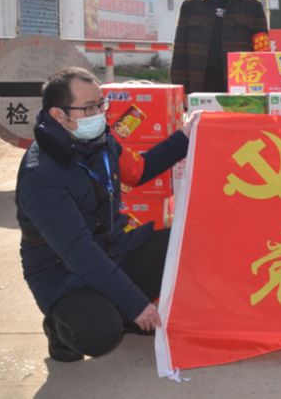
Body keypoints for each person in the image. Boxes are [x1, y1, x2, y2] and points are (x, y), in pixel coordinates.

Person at [15, 67, 198, 362]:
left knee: (184, 246)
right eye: (89, 108)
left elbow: (139, 170)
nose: (100, 113)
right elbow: (79, 253)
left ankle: (119, 311)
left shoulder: (99, 140)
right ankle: (58, 326)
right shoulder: (42, 175)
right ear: (59, 115)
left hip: (113, 249)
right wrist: (136, 305)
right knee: (102, 334)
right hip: (62, 272)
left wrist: (186, 136)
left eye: (102, 104)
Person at [170, 0, 270, 94]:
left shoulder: (253, 6)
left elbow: (262, 54)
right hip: (198, 89)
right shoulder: (190, 5)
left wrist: (260, 92)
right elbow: (179, 52)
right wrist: (180, 91)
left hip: (240, 92)